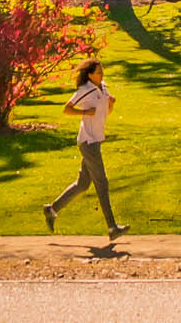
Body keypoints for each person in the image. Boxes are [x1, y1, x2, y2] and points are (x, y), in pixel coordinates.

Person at [41, 58, 122, 241]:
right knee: (102, 184)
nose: (102, 75)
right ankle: (112, 227)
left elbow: (105, 113)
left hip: (95, 141)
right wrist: (84, 113)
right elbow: (67, 109)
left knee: (83, 184)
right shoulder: (84, 90)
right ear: (90, 74)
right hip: (88, 143)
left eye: (102, 72)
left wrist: (111, 104)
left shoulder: (103, 87)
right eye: (99, 72)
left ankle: (51, 209)